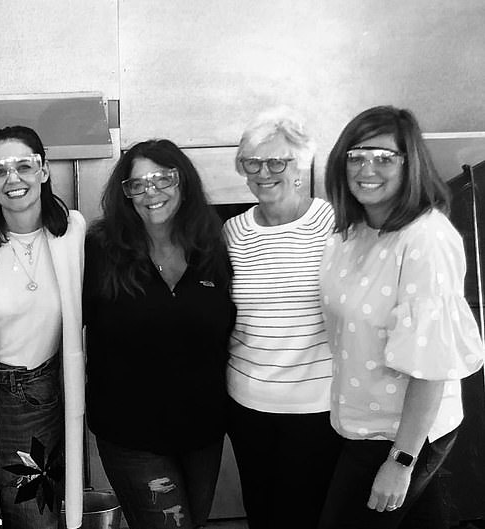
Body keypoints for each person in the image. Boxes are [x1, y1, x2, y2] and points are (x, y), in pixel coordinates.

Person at [318, 105, 484, 529]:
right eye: (355, 155)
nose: (366, 167)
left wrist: (402, 460)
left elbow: (432, 366)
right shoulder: (352, 233)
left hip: (401, 435)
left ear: (411, 164)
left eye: (384, 157)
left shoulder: (426, 238)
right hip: (360, 423)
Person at [83, 139, 235, 529]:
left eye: (162, 179)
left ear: (183, 182)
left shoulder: (212, 248)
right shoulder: (100, 251)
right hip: (132, 434)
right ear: (126, 194)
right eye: (138, 184)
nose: (151, 192)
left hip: (202, 431)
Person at [0, 126, 85, 529]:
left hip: (44, 391)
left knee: (34, 510)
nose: (14, 179)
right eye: (0, 170)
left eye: (24, 166)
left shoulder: (72, 230)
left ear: (43, 171)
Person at [223, 107, 341, 529]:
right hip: (247, 402)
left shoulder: (335, 223)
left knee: (308, 514)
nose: (262, 173)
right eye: (251, 163)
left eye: (276, 161)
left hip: (319, 407)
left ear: (301, 163)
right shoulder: (231, 232)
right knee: (262, 511)